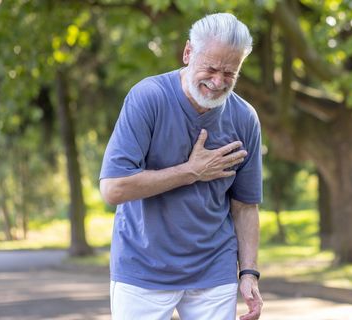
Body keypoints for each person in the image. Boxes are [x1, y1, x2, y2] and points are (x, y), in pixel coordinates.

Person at [99, 13, 263, 320]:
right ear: (188, 53)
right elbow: (113, 188)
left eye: (230, 73)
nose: (217, 82)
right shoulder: (148, 98)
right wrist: (191, 171)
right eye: (211, 68)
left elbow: (245, 206)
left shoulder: (244, 118)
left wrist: (249, 273)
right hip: (143, 267)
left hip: (214, 268)